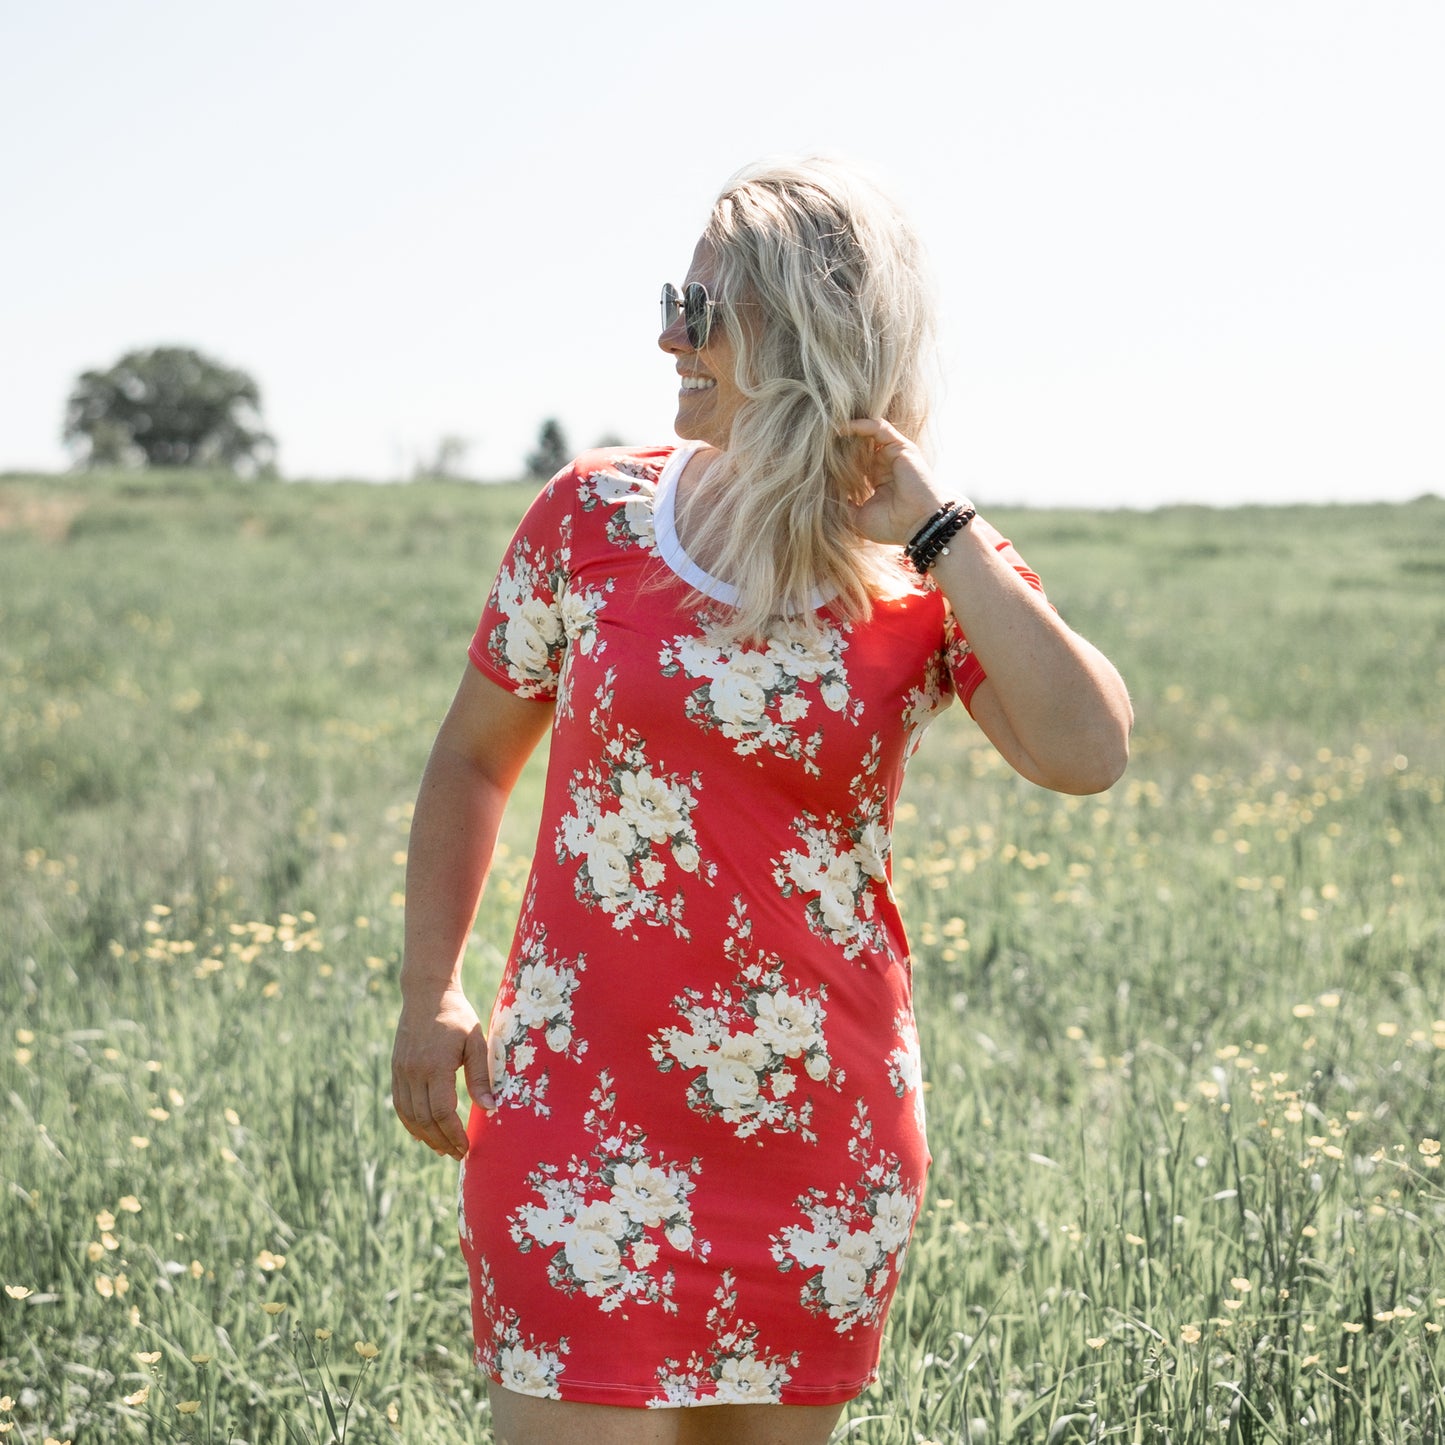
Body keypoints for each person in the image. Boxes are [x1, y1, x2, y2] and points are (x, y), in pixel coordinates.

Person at [391, 157, 1132, 1445]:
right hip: (577, 1114)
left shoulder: (924, 567)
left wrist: (932, 524)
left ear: (805, 336)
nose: (667, 333)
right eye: (675, 297)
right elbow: (471, 758)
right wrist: (431, 994)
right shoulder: (590, 518)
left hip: (813, 1137)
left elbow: (1089, 750)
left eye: (704, 306)